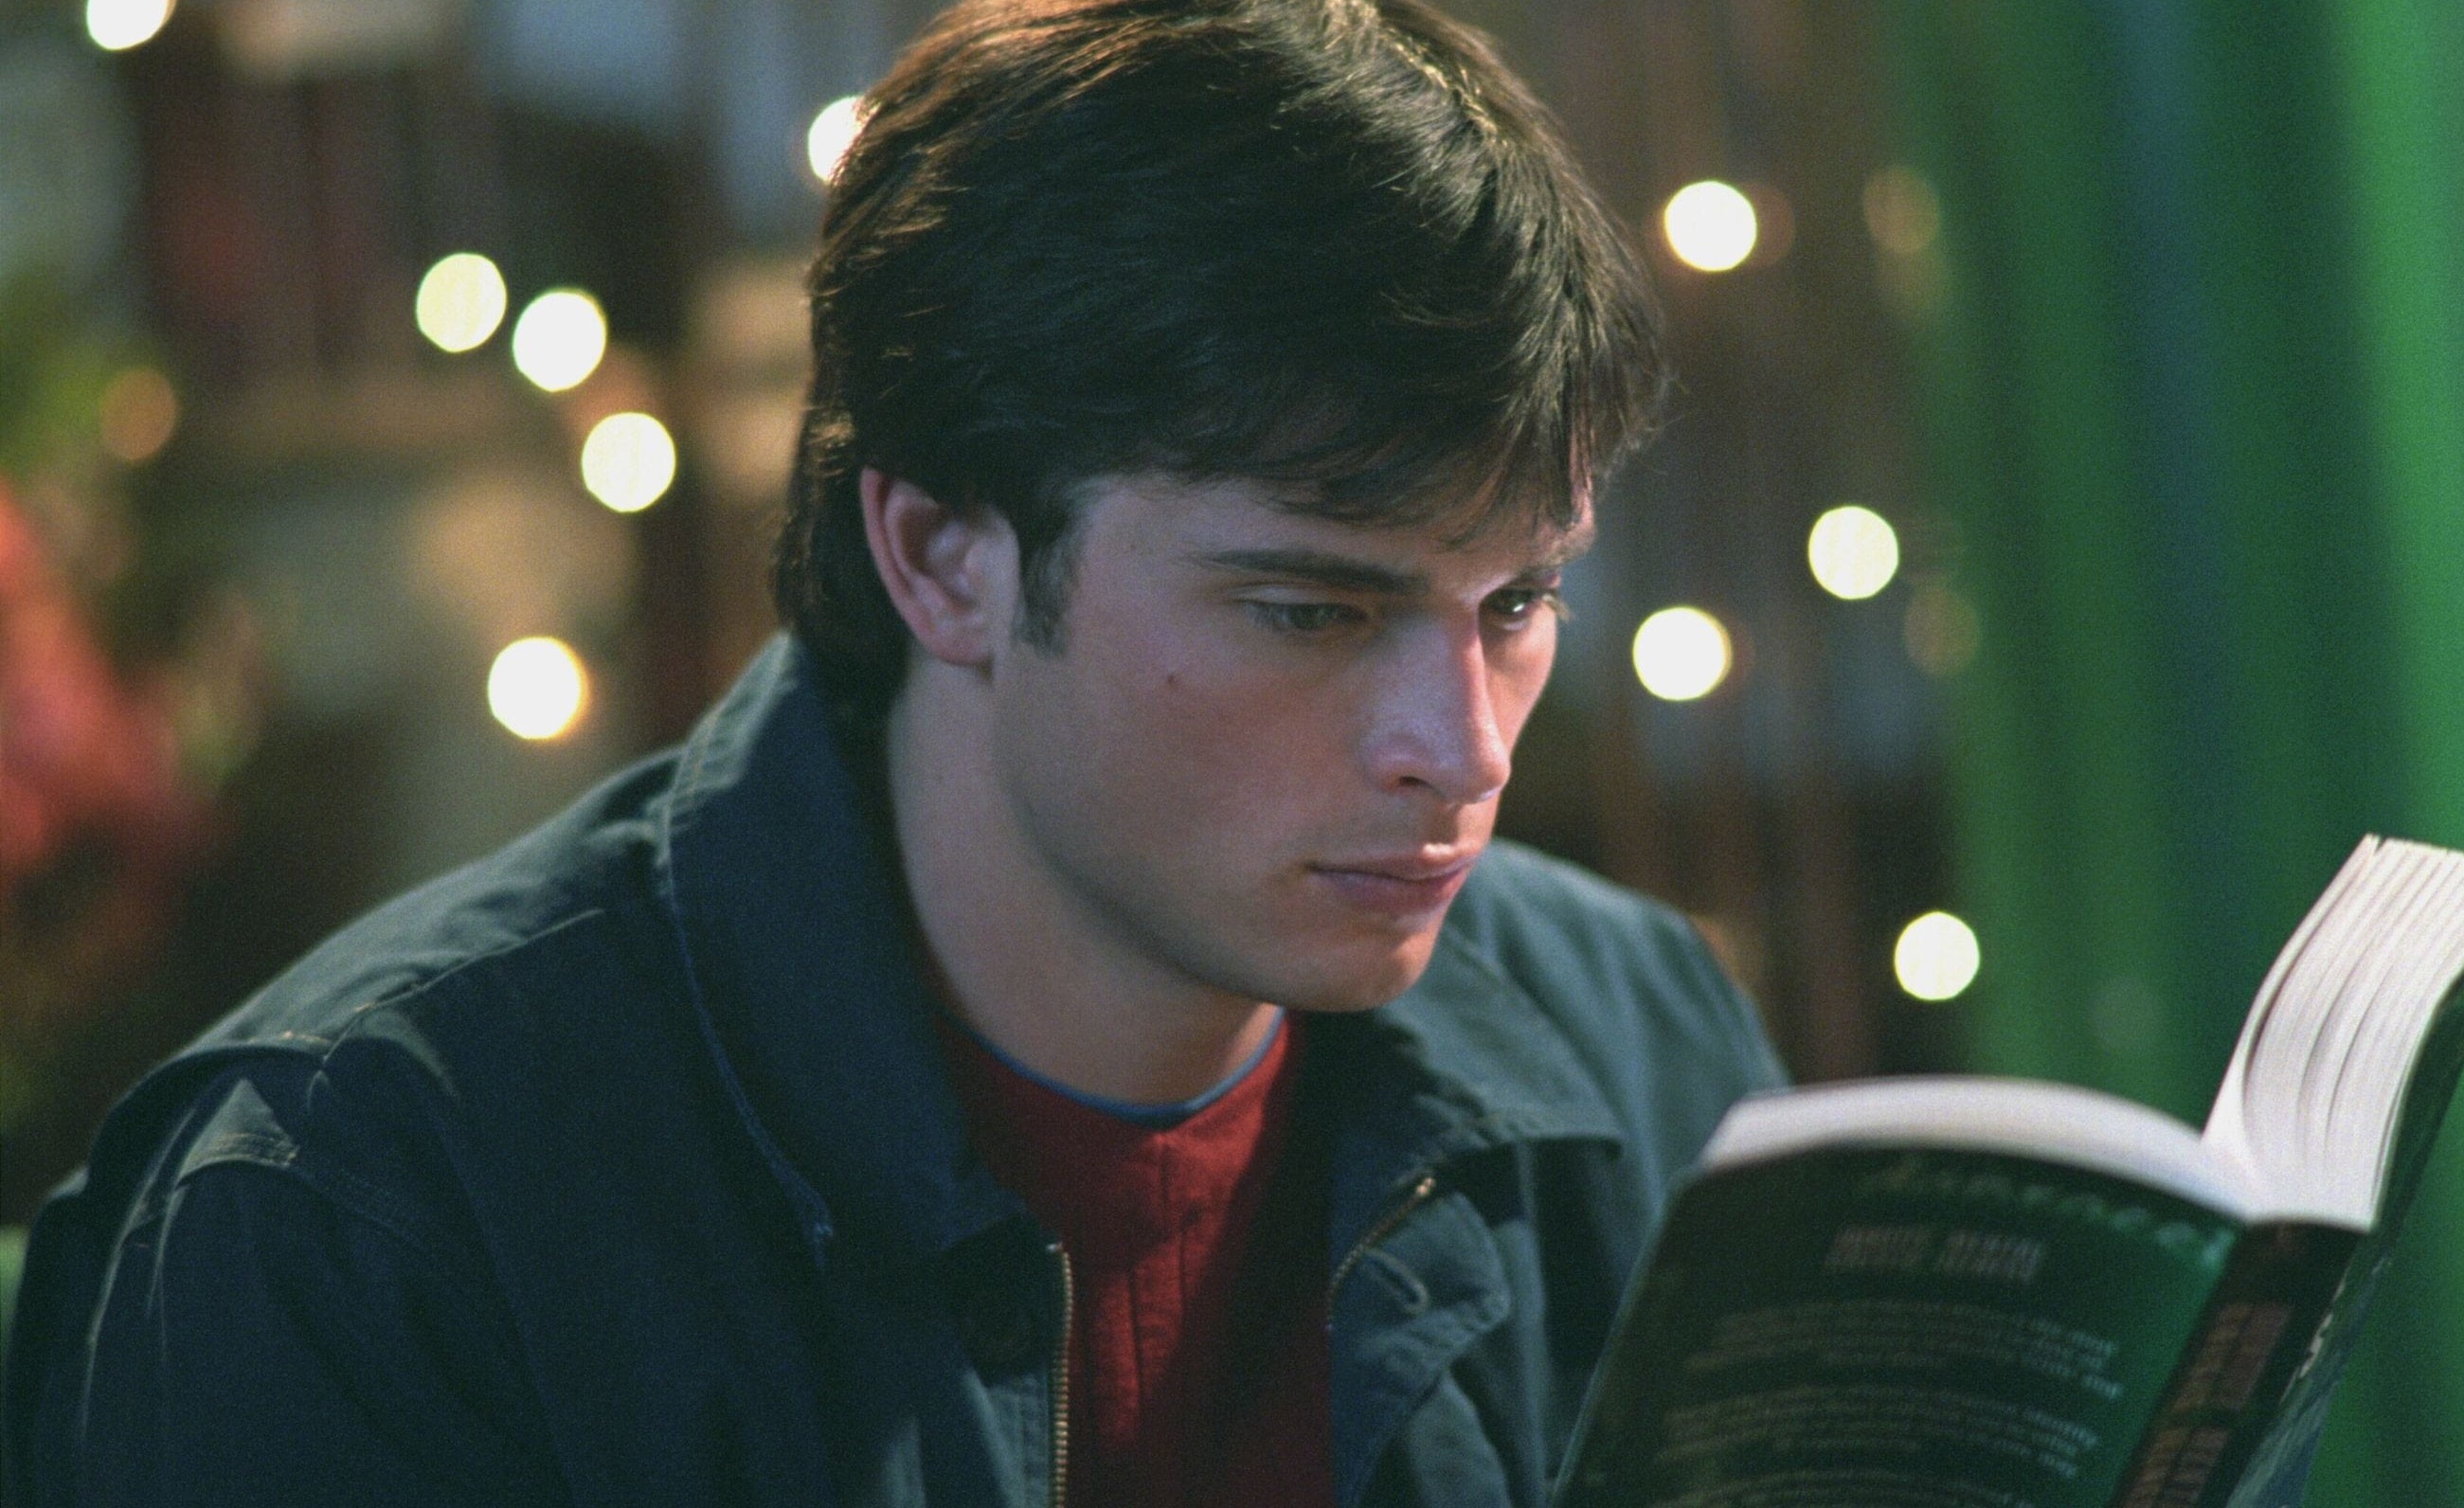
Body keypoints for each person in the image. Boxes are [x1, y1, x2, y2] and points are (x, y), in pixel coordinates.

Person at [2, 0, 1786, 1501]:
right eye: (1310, 611)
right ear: (940, 557)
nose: (1456, 748)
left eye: (1515, 602)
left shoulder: (1635, 1039)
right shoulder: (366, 1202)